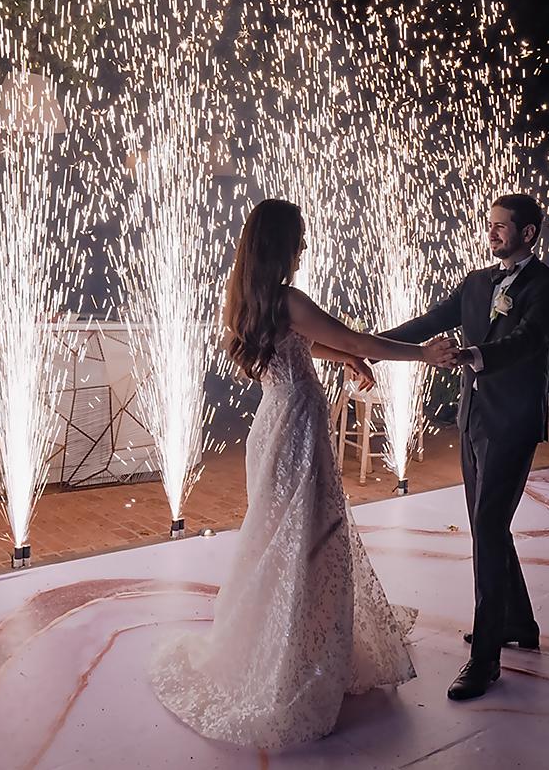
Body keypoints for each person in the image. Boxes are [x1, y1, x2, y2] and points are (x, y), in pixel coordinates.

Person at [149, 198, 459, 749]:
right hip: (296, 428)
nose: (306, 246)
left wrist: (340, 357)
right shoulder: (291, 298)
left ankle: (292, 646)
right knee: (308, 539)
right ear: (283, 244)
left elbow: (303, 342)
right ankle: (296, 662)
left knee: (283, 540)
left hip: (273, 424)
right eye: (300, 237)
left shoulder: (249, 295)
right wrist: (423, 352)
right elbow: (357, 339)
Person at [381, 193, 549, 701]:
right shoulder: (475, 283)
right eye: (489, 225)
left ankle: (485, 658)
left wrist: (472, 354)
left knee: (488, 528)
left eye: (502, 227)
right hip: (473, 421)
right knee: (489, 527)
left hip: (512, 423)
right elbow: (427, 323)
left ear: (528, 233)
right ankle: (520, 625)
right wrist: (371, 346)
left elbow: (530, 340)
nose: (491, 233)